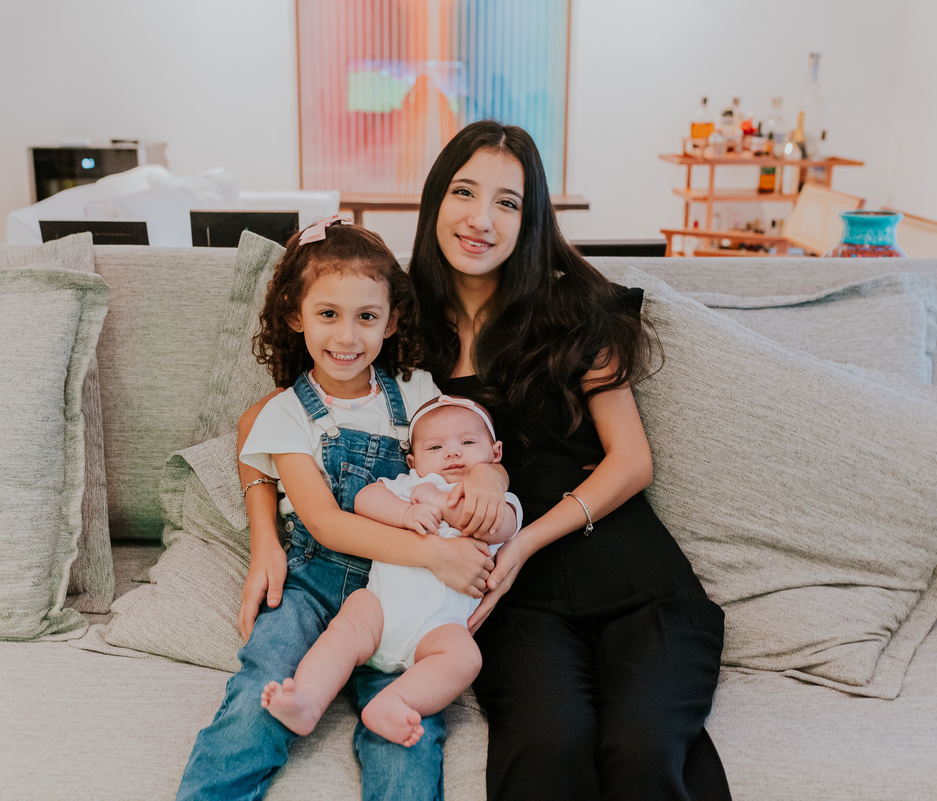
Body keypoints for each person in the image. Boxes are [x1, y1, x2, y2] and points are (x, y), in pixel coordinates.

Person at [407, 120, 732, 801]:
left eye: (507, 202)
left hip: (634, 577)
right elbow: (298, 407)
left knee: (642, 749)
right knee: (547, 746)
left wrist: (526, 537)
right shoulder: (400, 325)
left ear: (530, 221)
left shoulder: (570, 307)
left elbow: (631, 461)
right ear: (436, 199)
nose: (481, 219)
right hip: (516, 605)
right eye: (465, 192)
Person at [175, 216, 502, 801]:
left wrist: (487, 474)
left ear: (392, 320)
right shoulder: (286, 415)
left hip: (399, 596)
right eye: (328, 314)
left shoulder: (419, 392)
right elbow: (324, 522)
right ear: (296, 315)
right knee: (262, 687)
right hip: (314, 583)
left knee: (405, 729)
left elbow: (471, 446)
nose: (348, 336)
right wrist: (435, 550)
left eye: (367, 317)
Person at [260, 395, 522, 748]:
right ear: (413, 461)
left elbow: (498, 529)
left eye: (468, 442)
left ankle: (394, 701)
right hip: (379, 612)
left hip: (437, 630)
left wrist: (442, 501)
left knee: (465, 658)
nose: (452, 453)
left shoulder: (498, 499)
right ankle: (308, 699)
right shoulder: (408, 486)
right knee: (346, 627)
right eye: (436, 446)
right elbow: (365, 498)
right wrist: (405, 513)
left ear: (496, 453)